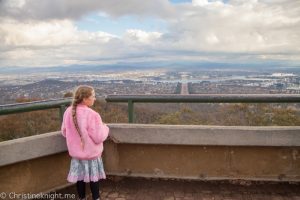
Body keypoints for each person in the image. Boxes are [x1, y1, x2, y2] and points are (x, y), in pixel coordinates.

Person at [61, 85, 109, 200]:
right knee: (94, 178)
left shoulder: (68, 111)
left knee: (80, 178)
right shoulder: (92, 115)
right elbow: (99, 137)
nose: (95, 98)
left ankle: (81, 197)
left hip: (77, 155)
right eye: (93, 96)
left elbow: (64, 132)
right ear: (84, 99)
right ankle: (96, 198)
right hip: (91, 154)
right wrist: (106, 128)